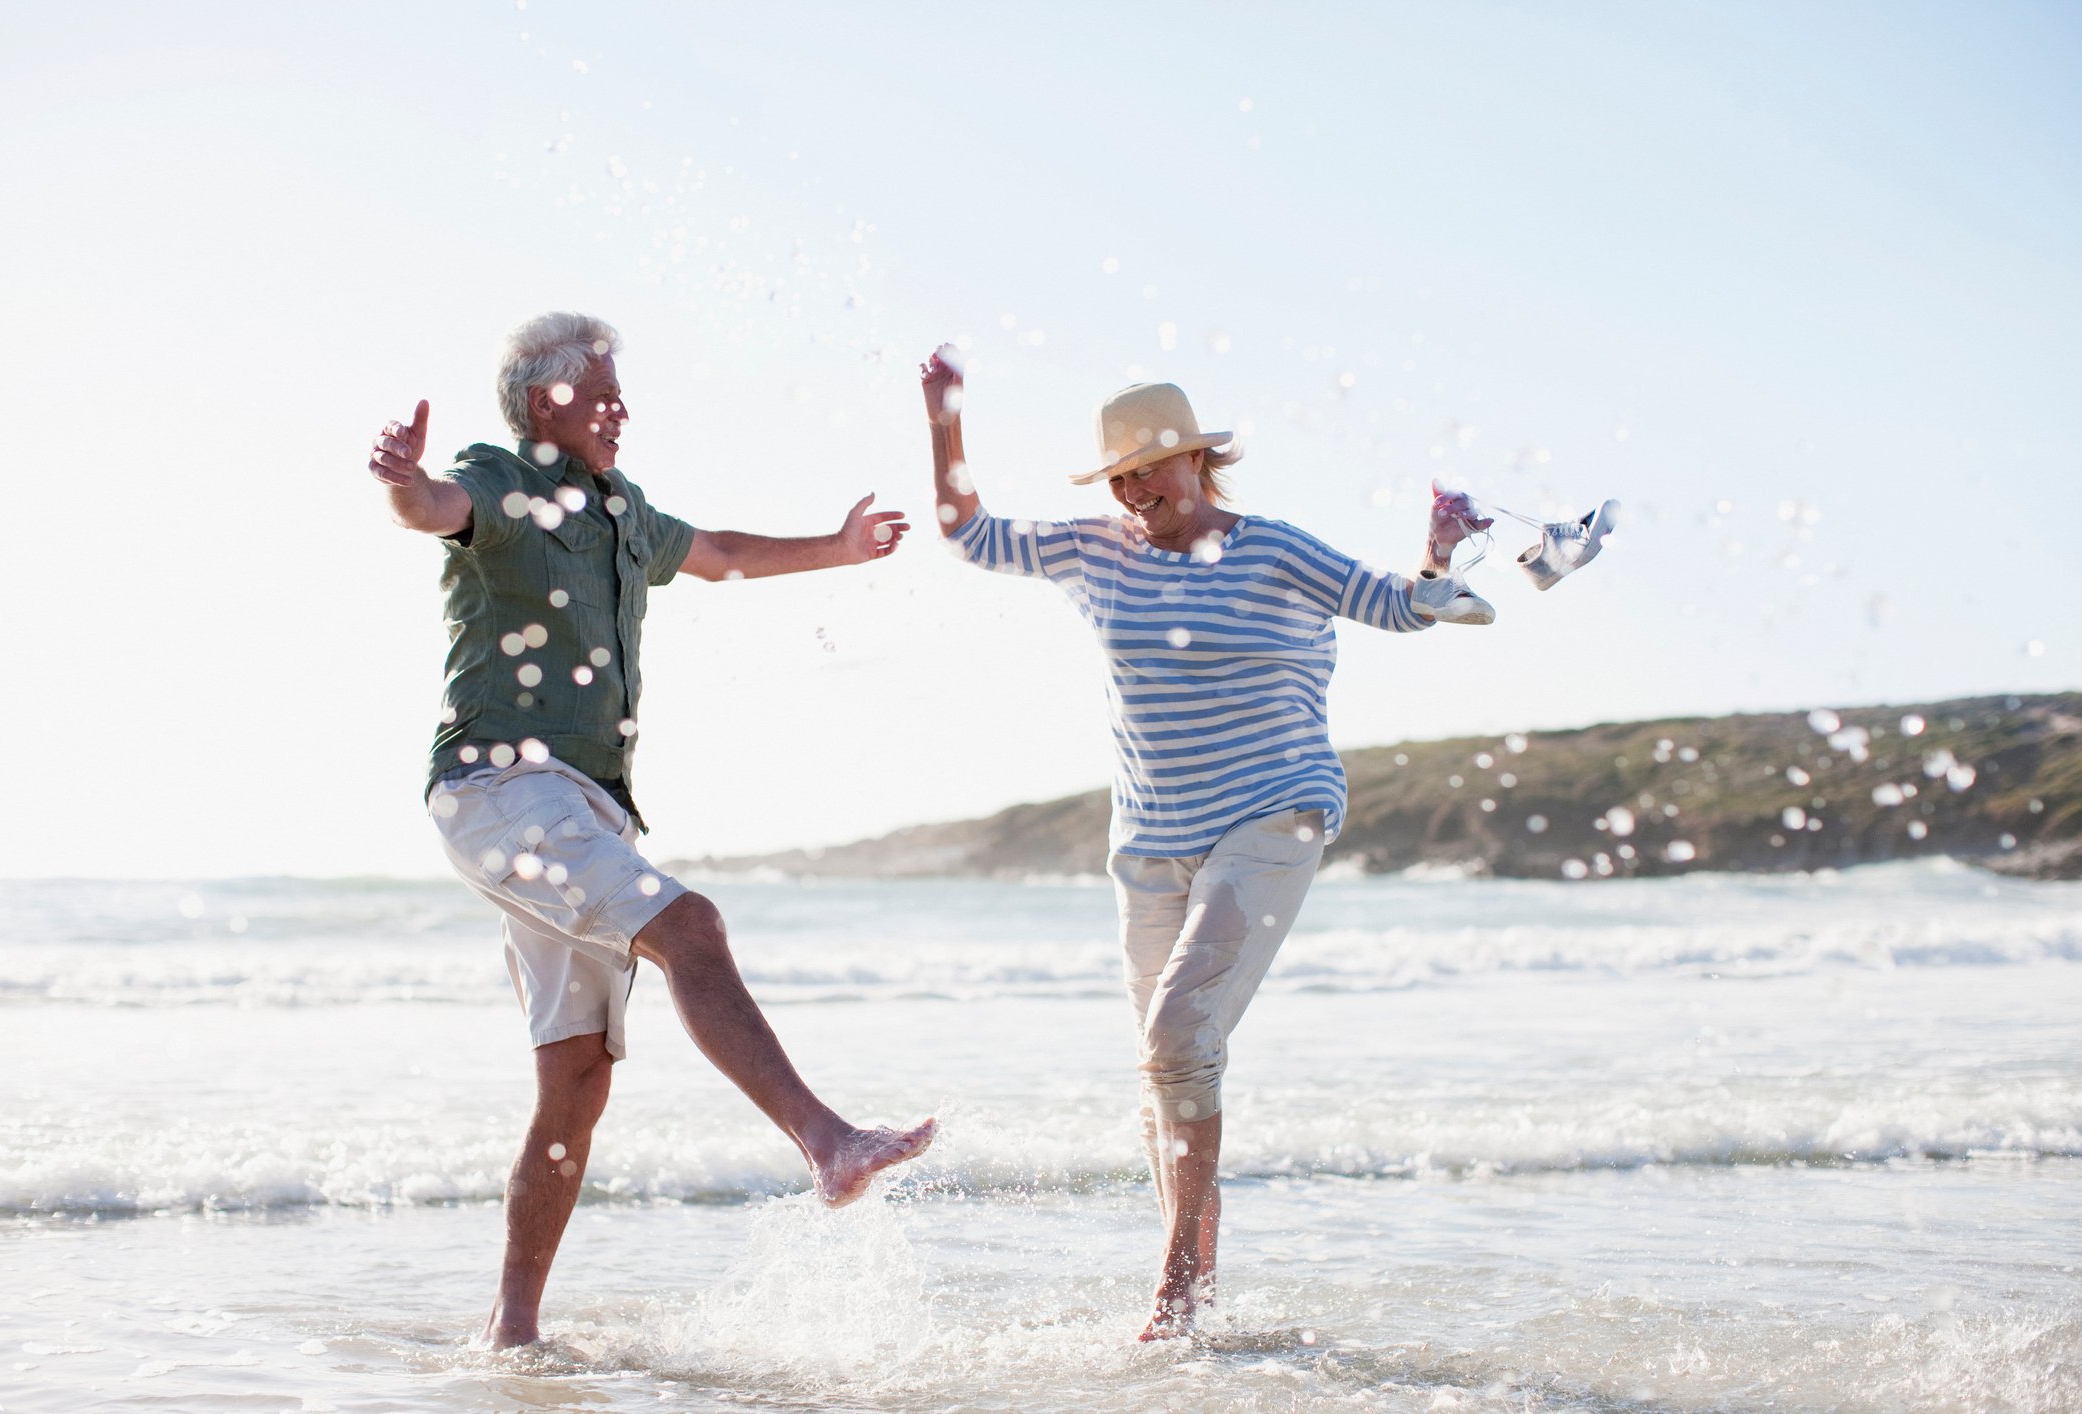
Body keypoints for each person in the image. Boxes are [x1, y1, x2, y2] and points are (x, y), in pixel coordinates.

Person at [365, 312, 936, 1348]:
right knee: (693, 926)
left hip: (584, 806)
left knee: (577, 1079)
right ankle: (828, 1141)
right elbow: (432, 507)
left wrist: (841, 550)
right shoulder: (496, 479)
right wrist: (402, 481)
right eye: (602, 389)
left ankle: (514, 1329)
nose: (621, 406)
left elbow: (716, 551)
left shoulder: (622, 511)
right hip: (500, 787)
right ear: (546, 401)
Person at [918, 349, 1488, 1339]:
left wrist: (1436, 551)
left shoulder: (1273, 549)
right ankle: (1199, 1282)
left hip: (1274, 812)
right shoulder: (1092, 549)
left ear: (1197, 462)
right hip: (1148, 843)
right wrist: (945, 420)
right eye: (1123, 475)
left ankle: (1176, 1286)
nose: (1140, 491)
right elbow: (967, 532)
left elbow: (1401, 605)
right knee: (1168, 1065)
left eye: (1155, 468)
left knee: (1178, 1034)